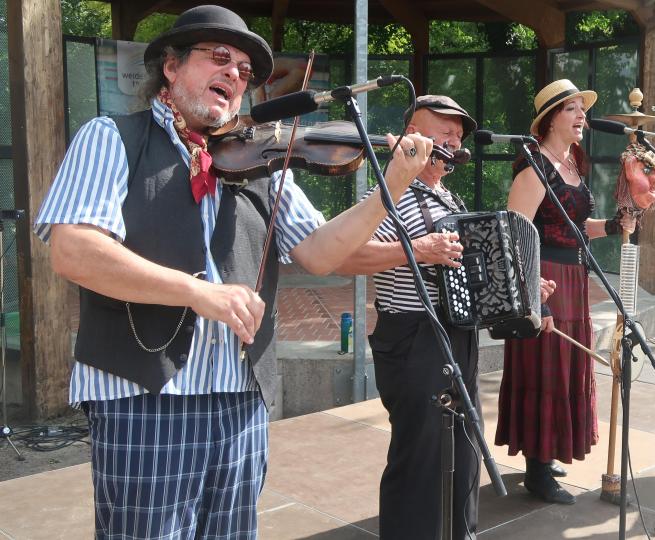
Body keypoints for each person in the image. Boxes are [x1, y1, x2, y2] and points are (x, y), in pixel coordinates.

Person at [33, 6, 431, 539]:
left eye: (244, 72)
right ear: (171, 67)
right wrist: (197, 293)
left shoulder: (261, 159)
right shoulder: (111, 137)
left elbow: (319, 253)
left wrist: (393, 188)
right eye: (219, 59)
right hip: (144, 399)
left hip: (240, 400)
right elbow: (74, 250)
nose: (235, 76)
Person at [494, 79, 655, 504]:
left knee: (565, 364)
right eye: (572, 109)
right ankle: (536, 469)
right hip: (545, 277)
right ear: (550, 119)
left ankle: (546, 452)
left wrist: (612, 226)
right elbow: (515, 235)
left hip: (573, 276)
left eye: (581, 109)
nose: (582, 116)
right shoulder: (535, 167)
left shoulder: (571, 164)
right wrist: (532, 294)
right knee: (544, 364)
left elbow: (573, 227)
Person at [334, 95, 486, 540]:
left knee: (464, 450)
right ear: (413, 133)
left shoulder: (446, 194)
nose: (454, 139)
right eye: (444, 130)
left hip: (456, 334)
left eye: (459, 133)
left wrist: (517, 289)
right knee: (418, 459)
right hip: (412, 337)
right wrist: (416, 250)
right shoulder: (387, 192)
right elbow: (346, 256)